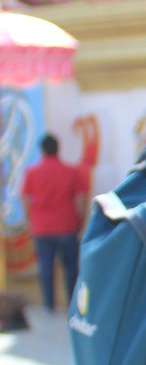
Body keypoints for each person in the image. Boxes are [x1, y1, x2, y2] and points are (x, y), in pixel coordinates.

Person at [20, 132, 87, 310]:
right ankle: (72, 305)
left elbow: (25, 199)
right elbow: (80, 199)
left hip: (42, 227)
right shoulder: (71, 172)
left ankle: (49, 305)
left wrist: (30, 221)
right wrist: (79, 221)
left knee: (46, 268)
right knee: (71, 268)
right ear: (58, 149)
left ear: (42, 151)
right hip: (67, 225)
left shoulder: (32, 172)